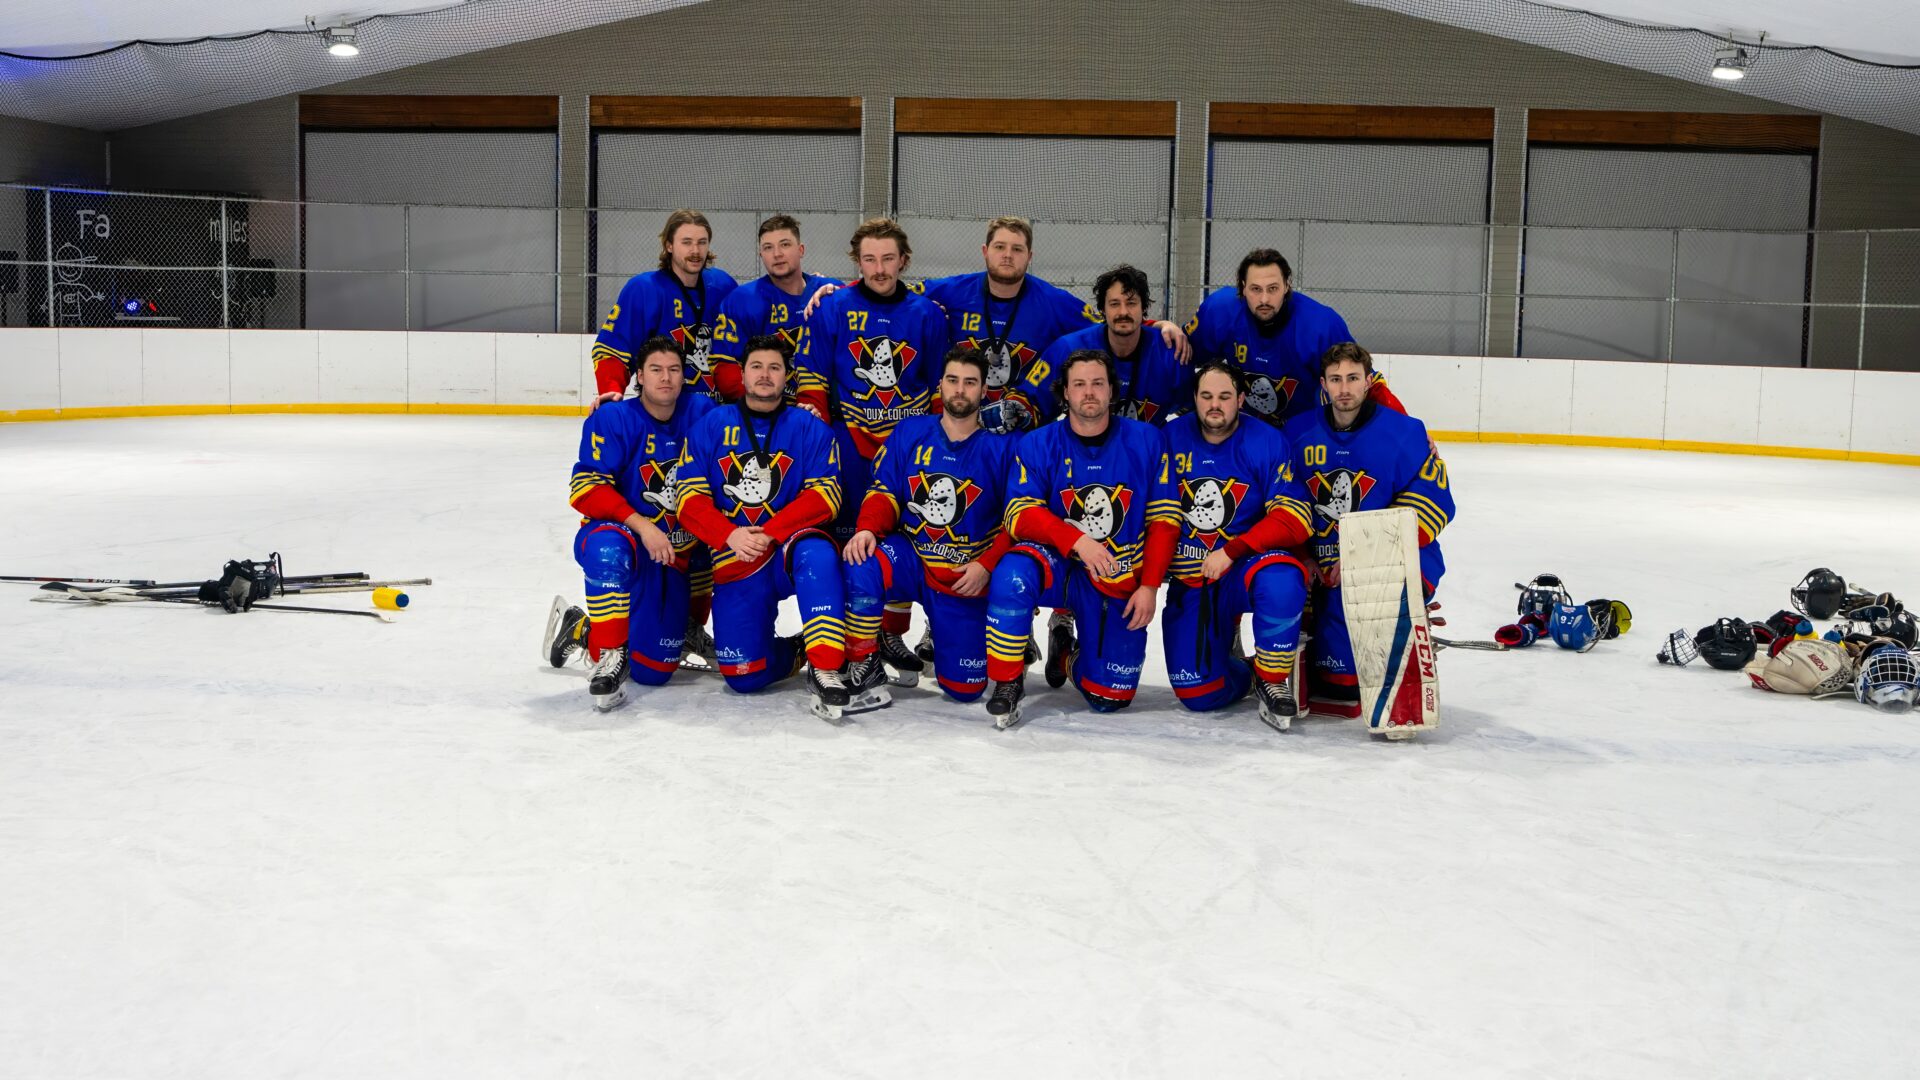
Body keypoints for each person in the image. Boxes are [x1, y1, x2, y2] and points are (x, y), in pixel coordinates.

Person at [982, 349, 1180, 727]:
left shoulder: (1148, 441)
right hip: (1057, 564)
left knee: (1111, 697)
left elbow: (1165, 521)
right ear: (1066, 393)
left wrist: (1151, 586)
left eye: (1097, 384)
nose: (1089, 393)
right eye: (1079, 385)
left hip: (1114, 570)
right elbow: (1018, 514)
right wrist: (1076, 540)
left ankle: (1065, 655)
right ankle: (1008, 681)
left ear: (1111, 391)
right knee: (1013, 574)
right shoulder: (1038, 443)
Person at [674, 335, 864, 721]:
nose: (765, 375)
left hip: (785, 551)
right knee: (742, 676)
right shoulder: (711, 425)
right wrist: (730, 534)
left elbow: (826, 495)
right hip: (736, 557)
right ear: (742, 374)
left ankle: (826, 668)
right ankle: (798, 650)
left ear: (787, 376)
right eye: (757, 367)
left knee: (818, 554)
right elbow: (686, 499)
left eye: (774, 368)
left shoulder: (809, 427)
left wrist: (772, 531)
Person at [1283, 342, 1453, 718]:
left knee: (1347, 680)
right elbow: (1283, 504)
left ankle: (1406, 632)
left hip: (1386, 559)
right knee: (1337, 682)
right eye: (1336, 379)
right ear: (1323, 384)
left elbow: (1434, 502)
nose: (1344, 389)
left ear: (1368, 381)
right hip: (1323, 561)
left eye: (1353, 379)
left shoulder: (1406, 432)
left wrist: (1364, 556)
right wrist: (1303, 555)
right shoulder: (1296, 433)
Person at [842, 345, 1016, 703]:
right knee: (862, 561)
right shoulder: (910, 431)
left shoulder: (1004, 446)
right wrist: (866, 528)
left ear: (984, 390)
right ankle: (865, 659)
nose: (959, 390)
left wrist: (987, 564)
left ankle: (949, 637)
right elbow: (884, 489)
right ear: (940, 385)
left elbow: (1018, 517)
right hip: (912, 557)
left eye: (970, 383)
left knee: (965, 690)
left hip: (964, 575)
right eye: (952, 380)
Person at [550, 336, 715, 710]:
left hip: (677, 550)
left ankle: (684, 626)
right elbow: (585, 487)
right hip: (626, 538)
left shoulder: (702, 412)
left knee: (654, 671)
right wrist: (642, 525)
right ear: (639, 375)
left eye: (674, 370)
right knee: (609, 551)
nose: (666, 378)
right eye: (655, 370)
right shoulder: (613, 418)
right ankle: (605, 649)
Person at [1160, 361, 1313, 730]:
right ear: (1194, 399)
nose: (1216, 404)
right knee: (1197, 694)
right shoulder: (1167, 439)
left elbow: (1296, 518)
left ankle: (1272, 677)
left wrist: (1232, 551)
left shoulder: (1267, 441)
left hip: (1245, 567)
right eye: (1207, 396)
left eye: (1225, 396)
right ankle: (1246, 671)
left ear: (1241, 399)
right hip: (1192, 578)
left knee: (1281, 578)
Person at [1186, 249, 1402, 426]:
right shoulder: (1220, 311)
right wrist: (1158, 325)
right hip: (1244, 428)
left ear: (1287, 285)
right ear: (1242, 288)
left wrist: (1408, 432)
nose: (1264, 299)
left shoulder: (1320, 325)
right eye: (1255, 289)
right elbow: (1180, 356)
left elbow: (1366, 382)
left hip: (1304, 430)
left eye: (1273, 289)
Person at [1007, 264, 1186, 431]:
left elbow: (1199, 410)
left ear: (1144, 308)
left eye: (1131, 303)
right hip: (1080, 454)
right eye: (1114, 304)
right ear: (1102, 310)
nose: (1123, 312)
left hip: (1146, 457)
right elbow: (1032, 400)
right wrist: (1014, 411)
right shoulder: (1068, 348)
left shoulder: (1171, 351)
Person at [591, 208, 739, 405]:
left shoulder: (724, 285)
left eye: (702, 243)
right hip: (665, 414)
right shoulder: (644, 290)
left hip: (716, 414)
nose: (695, 251)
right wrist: (611, 391)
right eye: (686, 242)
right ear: (669, 245)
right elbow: (611, 350)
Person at [709, 214, 840, 403]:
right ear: (761, 254)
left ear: (801, 249)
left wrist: (842, 293)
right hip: (767, 411)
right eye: (768, 248)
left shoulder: (831, 292)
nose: (777, 254)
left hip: (823, 408)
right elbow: (725, 366)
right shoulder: (742, 300)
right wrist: (759, 408)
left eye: (785, 245)